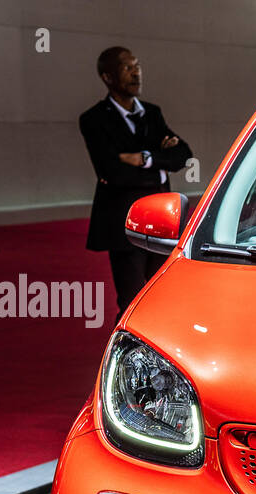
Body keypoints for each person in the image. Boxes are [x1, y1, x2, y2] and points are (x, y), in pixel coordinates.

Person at [80, 47, 192, 317]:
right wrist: (160, 167)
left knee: (164, 294)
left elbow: (183, 156)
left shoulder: (152, 113)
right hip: (124, 225)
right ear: (108, 76)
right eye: (127, 67)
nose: (136, 72)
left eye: (137, 65)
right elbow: (112, 173)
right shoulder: (94, 119)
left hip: (163, 223)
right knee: (131, 303)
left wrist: (143, 159)